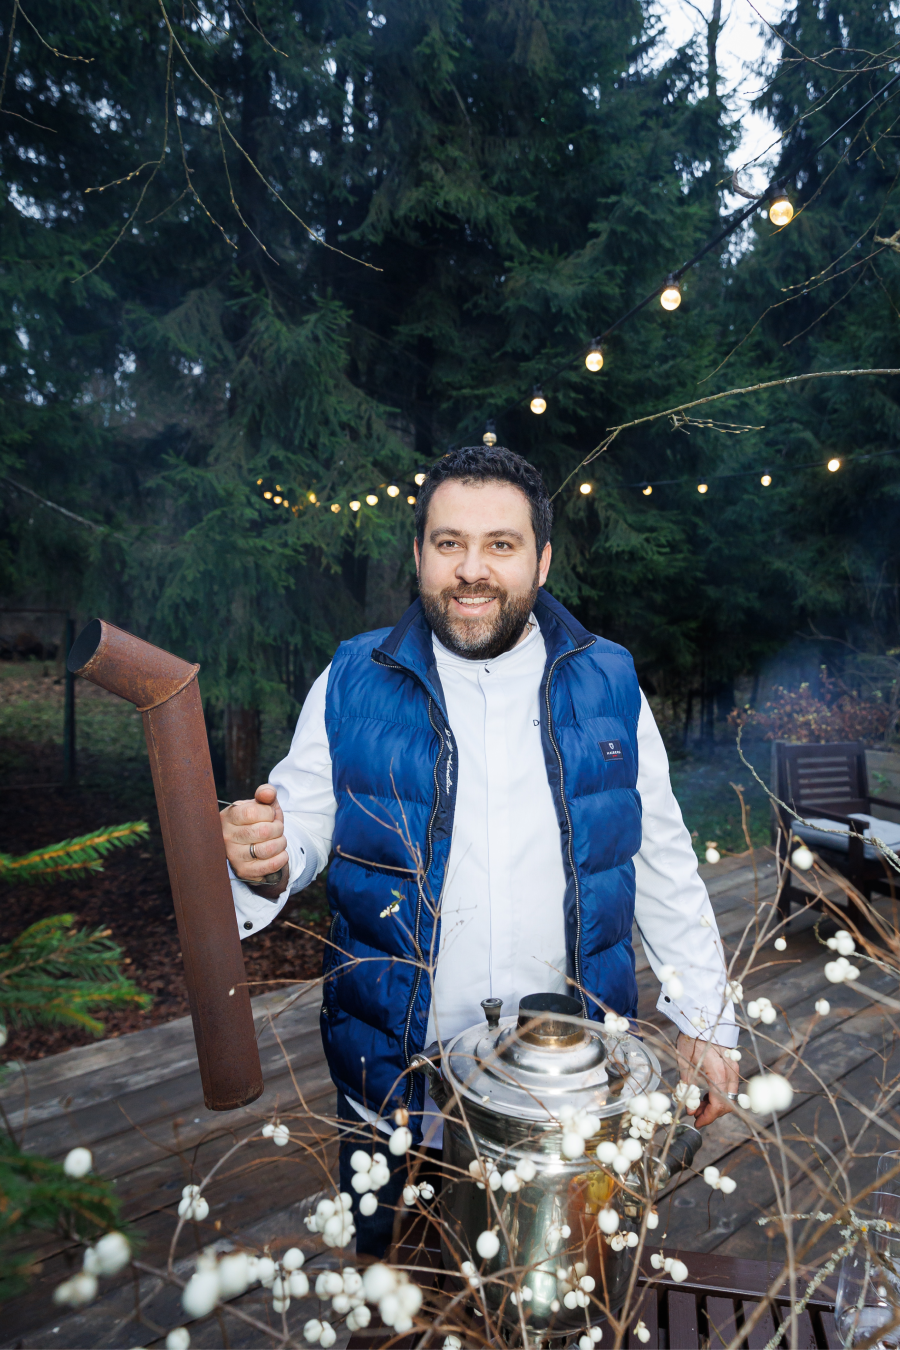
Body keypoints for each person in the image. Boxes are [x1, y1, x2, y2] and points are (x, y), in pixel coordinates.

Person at [220, 445, 739, 1253]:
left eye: (501, 544)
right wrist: (264, 851)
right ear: (418, 553)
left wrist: (705, 1019)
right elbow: (301, 826)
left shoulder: (608, 682)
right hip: (397, 1099)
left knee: (565, 1302)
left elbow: (661, 858)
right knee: (397, 1291)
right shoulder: (354, 676)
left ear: (542, 560)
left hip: (573, 1099)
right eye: (449, 543)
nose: (471, 570)